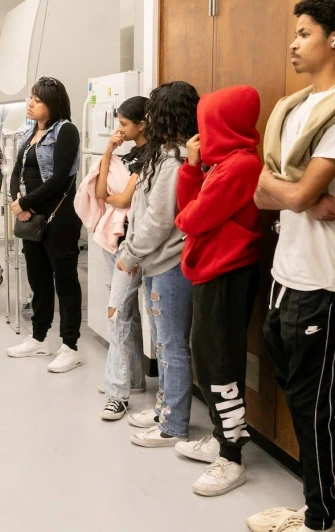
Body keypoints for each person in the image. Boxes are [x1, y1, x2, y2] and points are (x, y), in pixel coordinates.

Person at [248, 1, 335, 530]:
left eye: (305, 33)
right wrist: (294, 195)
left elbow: (297, 190)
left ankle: (320, 517)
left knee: (313, 403)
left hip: (325, 278)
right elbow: (265, 191)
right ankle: (314, 506)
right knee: (298, 395)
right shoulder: (295, 107)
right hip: (287, 271)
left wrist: (292, 193)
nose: (294, 43)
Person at [173, 85, 263, 497]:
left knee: (222, 363)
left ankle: (231, 456)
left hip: (228, 274)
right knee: (207, 359)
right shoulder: (220, 165)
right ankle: (220, 437)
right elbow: (189, 212)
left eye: (207, 127)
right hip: (211, 272)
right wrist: (192, 168)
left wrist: (195, 177)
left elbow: (189, 220)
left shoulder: (240, 167)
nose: (201, 136)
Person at [114, 82, 199, 446]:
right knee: (163, 344)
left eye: (153, 112)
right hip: (156, 264)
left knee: (172, 344)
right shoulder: (163, 155)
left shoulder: (176, 160)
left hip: (169, 265)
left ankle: (173, 424)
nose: (147, 118)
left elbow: (159, 219)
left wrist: (130, 253)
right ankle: (165, 408)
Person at [5, 77, 85, 373]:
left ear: (52, 104)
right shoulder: (30, 132)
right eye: (31, 98)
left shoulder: (66, 131)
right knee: (37, 278)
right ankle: (39, 337)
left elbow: (61, 177)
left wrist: (25, 204)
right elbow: (17, 171)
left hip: (58, 217)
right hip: (31, 216)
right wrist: (17, 199)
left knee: (64, 280)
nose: (30, 103)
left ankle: (70, 345)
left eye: (36, 100)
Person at [87, 96, 154, 419]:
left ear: (142, 124)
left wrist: (117, 199)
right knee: (127, 312)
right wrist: (108, 151)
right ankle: (134, 379)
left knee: (117, 314)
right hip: (115, 243)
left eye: (124, 124)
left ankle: (117, 393)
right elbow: (101, 193)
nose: (119, 130)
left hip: (134, 245)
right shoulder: (126, 155)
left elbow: (124, 198)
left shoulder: (150, 156)